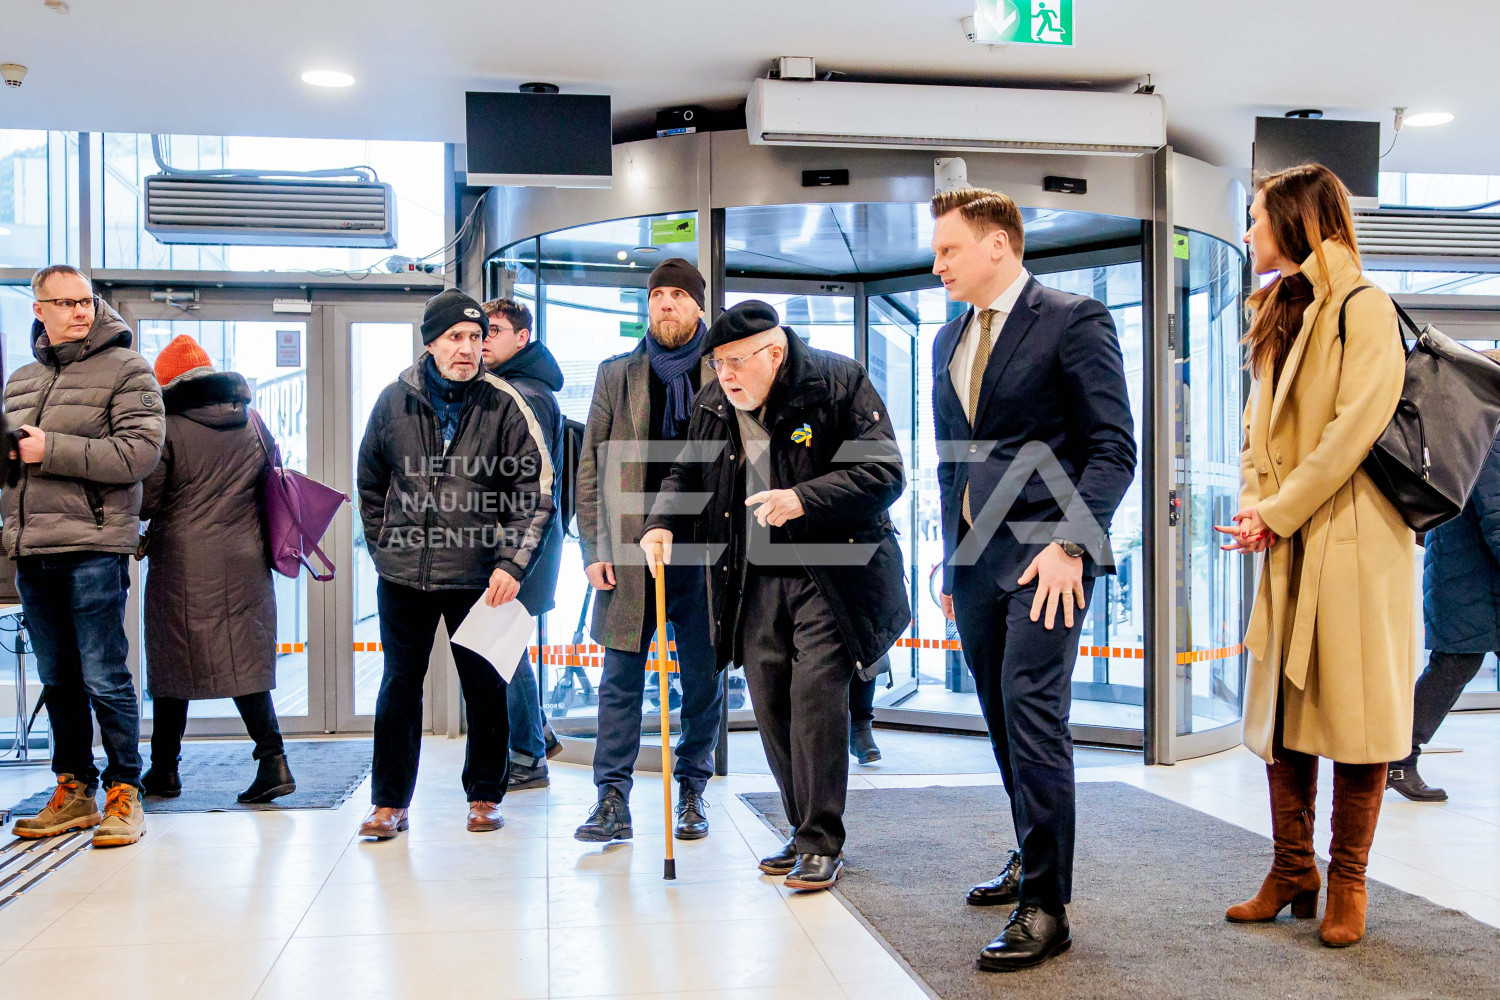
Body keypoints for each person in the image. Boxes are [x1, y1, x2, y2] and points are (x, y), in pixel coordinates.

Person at [930, 188, 1136, 970]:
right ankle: (1029, 851)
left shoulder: (1073, 319)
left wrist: (1071, 545)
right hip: (979, 560)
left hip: (1051, 559)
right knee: (1000, 715)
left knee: (1033, 709)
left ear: (999, 245)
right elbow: (957, 460)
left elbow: (1114, 446)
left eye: (950, 249)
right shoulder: (947, 339)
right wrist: (951, 560)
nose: (939, 263)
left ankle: (1047, 904)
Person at [642, 299, 910, 891]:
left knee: (815, 700)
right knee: (770, 704)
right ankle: (800, 829)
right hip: (753, 577)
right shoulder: (716, 403)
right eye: (717, 364)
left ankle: (821, 840)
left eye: (737, 361)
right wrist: (659, 521)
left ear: (775, 351)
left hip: (831, 571)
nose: (726, 375)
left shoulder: (837, 382)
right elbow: (686, 473)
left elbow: (884, 472)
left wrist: (803, 498)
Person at [1218, 163, 1413, 948]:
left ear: (1295, 219)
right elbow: (1252, 429)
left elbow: (1355, 428)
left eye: (1258, 216)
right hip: (1287, 540)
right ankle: (1293, 868)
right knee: (1282, 711)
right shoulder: (1276, 308)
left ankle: (1350, 880)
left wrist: (1279, 509)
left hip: (1355, 542)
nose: (1248, 230)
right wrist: (1252, 501)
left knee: (1355, 713)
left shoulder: (1365, 306)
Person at [356, 287, 554, 838]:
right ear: (431, 343)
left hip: (479, 575)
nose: (468, 347)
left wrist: (511, 565)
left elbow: (534, 490)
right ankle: (388, 804)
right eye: (456, 337)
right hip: (404, 577)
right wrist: (383, 544)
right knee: (399, 686)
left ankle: (486, 796)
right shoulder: (393, 400)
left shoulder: (504, 404)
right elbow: (370, 481)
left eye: (476, 336)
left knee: (485, 688)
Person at [4, 264, 165, 847]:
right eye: (65, 302)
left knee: (104, 674)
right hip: (31, 549)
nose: (80, 311)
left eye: (87, 300)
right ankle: (74, 788)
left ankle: (126, 790)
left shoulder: (129, 369)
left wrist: (51, 449)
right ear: (38, 309)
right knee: (58, 677)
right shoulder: (20, 380)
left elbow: (138, 455)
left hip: (93, 545)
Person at [573, 258, 723, 843]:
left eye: (677, 296)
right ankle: (612, 797)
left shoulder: (724, 368)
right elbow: (590, 467)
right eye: (657, 295)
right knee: (620, 677)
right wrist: (594, 548)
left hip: (705, 548)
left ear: (697, 306)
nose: (665, 304)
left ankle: (692, 790)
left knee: (704, 677)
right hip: (631, 550)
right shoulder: (619, 375)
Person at [136, 335, 295, 805]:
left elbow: (148, 501)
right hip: (246, 557)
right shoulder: (254, 422)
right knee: (243, 662)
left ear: (167, 383)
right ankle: (274, 761)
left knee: (173, 662)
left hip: (183, 560)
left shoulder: (166, 427)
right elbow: (275, 480)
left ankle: (164, 769)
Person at [1387, 350, 1500, 802]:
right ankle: (1397, 757)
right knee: (1455, 665)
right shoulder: (1489, 430)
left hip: (1466, 576)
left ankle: (1398, 756)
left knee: (1456, 665)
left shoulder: (1467, 425)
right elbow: (1497, 515)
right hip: (1469, 580)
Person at [482, 296, 565, 790]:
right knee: (505, 642)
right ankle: (538, 735)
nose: (484, 338)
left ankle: (528, 755)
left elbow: (519, 483)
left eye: (494, 329)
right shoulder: (512, 388)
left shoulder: (524, 395)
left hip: (517, 545)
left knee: (502, 645)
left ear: (522, 338)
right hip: (520, 541)